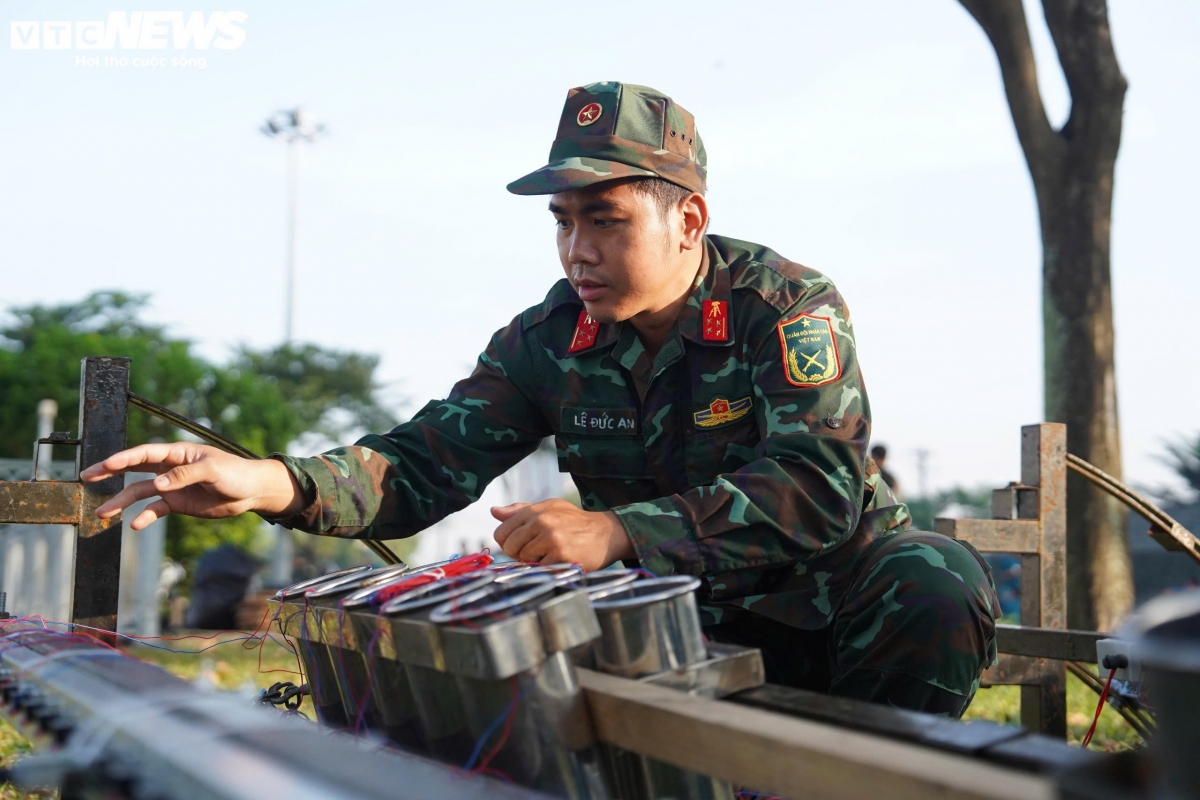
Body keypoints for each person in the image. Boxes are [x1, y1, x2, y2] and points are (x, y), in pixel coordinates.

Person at [82, 82, 998, 716]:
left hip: (836, 603)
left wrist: (620, 532)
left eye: (606, 219)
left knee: (935, 581)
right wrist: (268, 481)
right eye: (562, 222)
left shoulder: (782, 305)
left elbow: (818, 486)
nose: (577, 251)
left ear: (688, 219)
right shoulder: (547, 338)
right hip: (680, 613)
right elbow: (423, 461)